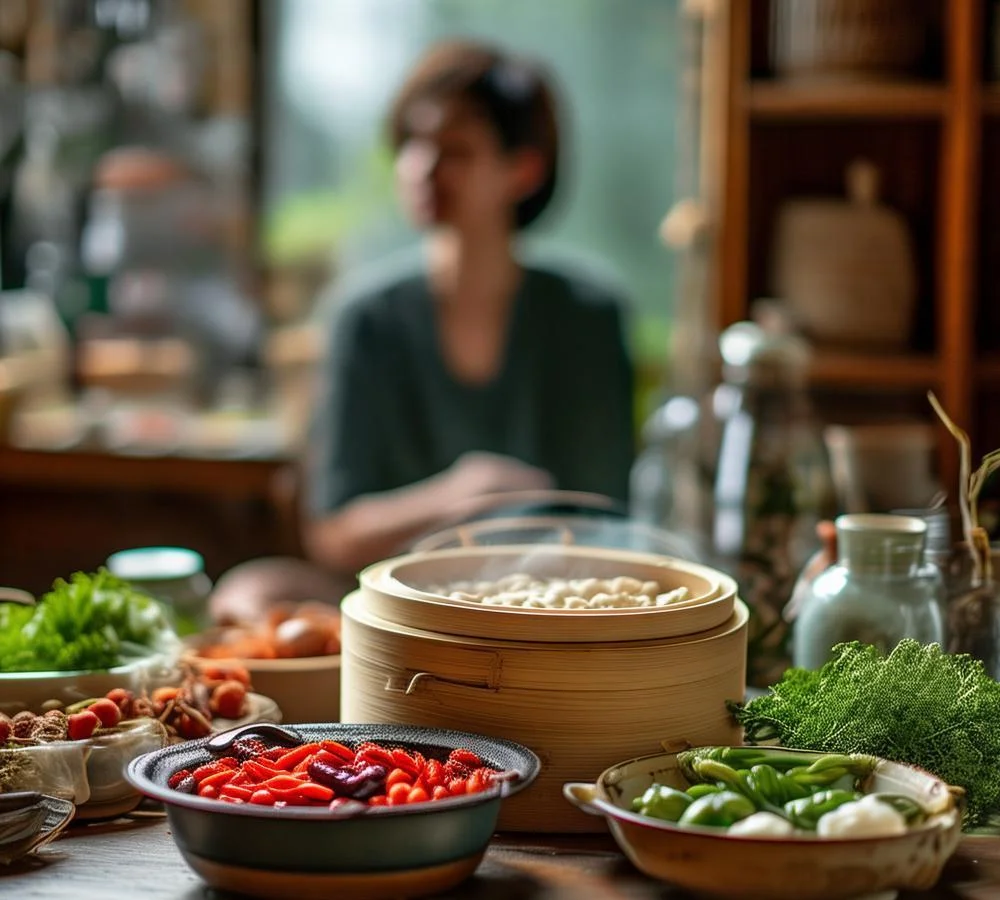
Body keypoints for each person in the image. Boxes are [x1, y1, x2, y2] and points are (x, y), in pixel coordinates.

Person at [210, 39, 635, 624]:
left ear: (525, 168)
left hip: (546, 609)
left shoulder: (586, 314)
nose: (423, 166)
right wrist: (464, 490)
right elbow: (334, 534)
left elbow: (603, 521)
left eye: (456, 149)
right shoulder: (366, 318)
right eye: (412, 142)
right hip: (395, 609)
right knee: (248, 591)